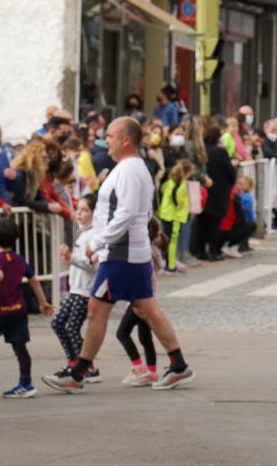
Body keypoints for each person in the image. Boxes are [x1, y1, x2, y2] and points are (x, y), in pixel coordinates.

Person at [41, 117, 196, 393]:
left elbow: (126, 213)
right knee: (145, 308)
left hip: (121, 253)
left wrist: (97, 242)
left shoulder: (130, 170)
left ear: (126, 139)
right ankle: (179, 364)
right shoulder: (129, 168)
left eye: (111, 135)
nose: (106, 139)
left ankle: (78, 373)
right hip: (127, 251)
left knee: (97, 308)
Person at [0, 218, 54, 397]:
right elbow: (34, 281)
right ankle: (26, 383)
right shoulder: (19, 259)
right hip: (18, 311)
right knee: (20, 347)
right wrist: (43, 303)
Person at [49, 194, 98, 378]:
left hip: (85, 291)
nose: (79, 214)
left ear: (94, 213)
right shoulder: (82, 233)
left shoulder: (94, 236)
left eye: (84, 210)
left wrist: (73, 259)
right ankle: (73, 362)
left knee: (71, 327)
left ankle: (87, 366)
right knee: (57, 322)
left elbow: (93, 264)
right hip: (76, 289)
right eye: (78, 210)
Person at [117, 217, 166, 387]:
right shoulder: (153, 250)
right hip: (149, 297)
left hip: (141, 298)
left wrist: (131, 300)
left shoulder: (143, 253)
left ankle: (139, 368)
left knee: (122, 333)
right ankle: (151, 372)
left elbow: (142, 278)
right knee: (145, 338)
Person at [198, 121, 236, 261]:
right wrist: (231, 182)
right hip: (219, 191)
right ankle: (213, 251)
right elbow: (230, 171)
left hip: (204, 190)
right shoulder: (220, 152)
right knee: (214, 223)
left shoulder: (202, 151)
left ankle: (200, 251)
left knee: (202, 223)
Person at [158, 159, 193, 273]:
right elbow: (177, 197)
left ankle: (166, 263)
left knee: (166, 241)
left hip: (165, 213)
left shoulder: (169, 182)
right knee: (172, 242)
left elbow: (162, 190)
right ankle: (171, 266)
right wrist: (180, 206)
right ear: (187, 173)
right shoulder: (181, 185)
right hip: (174, 216)